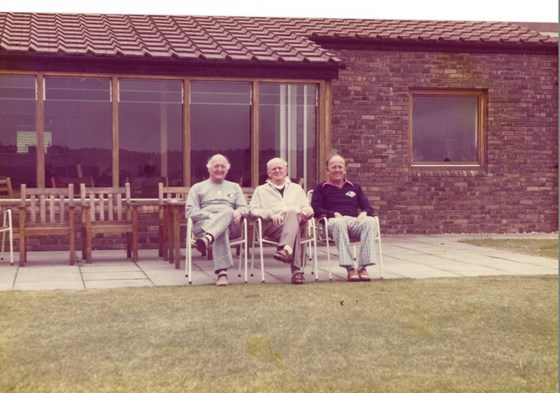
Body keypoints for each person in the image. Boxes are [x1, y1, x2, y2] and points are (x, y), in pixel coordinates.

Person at [311, 154, 378, 282]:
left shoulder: (355, 187)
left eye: (340, 167)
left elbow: (368, 207)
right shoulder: (321, 187)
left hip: (353, 222)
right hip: (333, 222)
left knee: (370, 221)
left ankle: (363, 267)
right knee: (338, 224)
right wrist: (334, 214)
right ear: (327, 170)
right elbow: (315, 209)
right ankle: (350, 268)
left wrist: (364, 213)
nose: (337, 170)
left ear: (345, 169)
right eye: (333, 167)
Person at [185, 154, 248, 286]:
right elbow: (189, 211)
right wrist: (208, 215)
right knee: (221, 229)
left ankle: (208, 239)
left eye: (223, 166)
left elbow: (245, 208)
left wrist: (238, 211)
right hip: (204, 225)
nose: (219, 169)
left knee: (227, 213)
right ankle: (222, 273)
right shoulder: (197, 188)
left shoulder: (235, 187)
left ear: (227, 170)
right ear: (209, 169)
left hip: (232, 226)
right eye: (216, 166)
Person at [249, 158, 313, 285]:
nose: (277, 170)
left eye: (280, 168)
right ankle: (296, 271)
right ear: (268, 173)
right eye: (274, 169)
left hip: (296, 223)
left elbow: (308, 208)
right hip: (273, 227)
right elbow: (252, 210)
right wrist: (270, 214)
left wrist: (304, 213)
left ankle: (285, 249)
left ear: (286, 171)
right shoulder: (261, 190)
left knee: (292, 215)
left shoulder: (297, 188)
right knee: (293, 224)